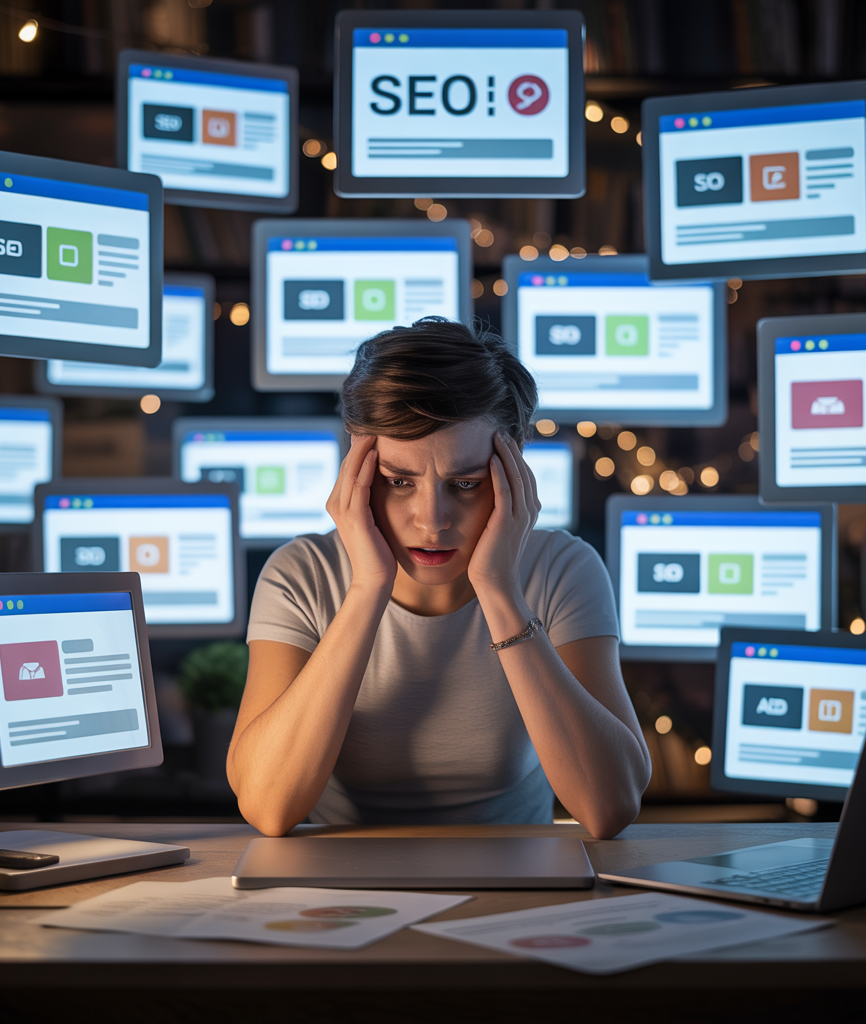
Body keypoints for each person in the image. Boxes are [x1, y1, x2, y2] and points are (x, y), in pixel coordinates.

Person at [227, 317, 651, 838]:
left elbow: (609, 807)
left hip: (517, 884)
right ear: (356, 466)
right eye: (398, 481)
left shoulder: (562, 568)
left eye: (467, 483)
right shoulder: (301, 574)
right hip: (340, 886)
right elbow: (268, 807)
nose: (432, 521)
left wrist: (499, 590)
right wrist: (366, 589)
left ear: (514, 464)